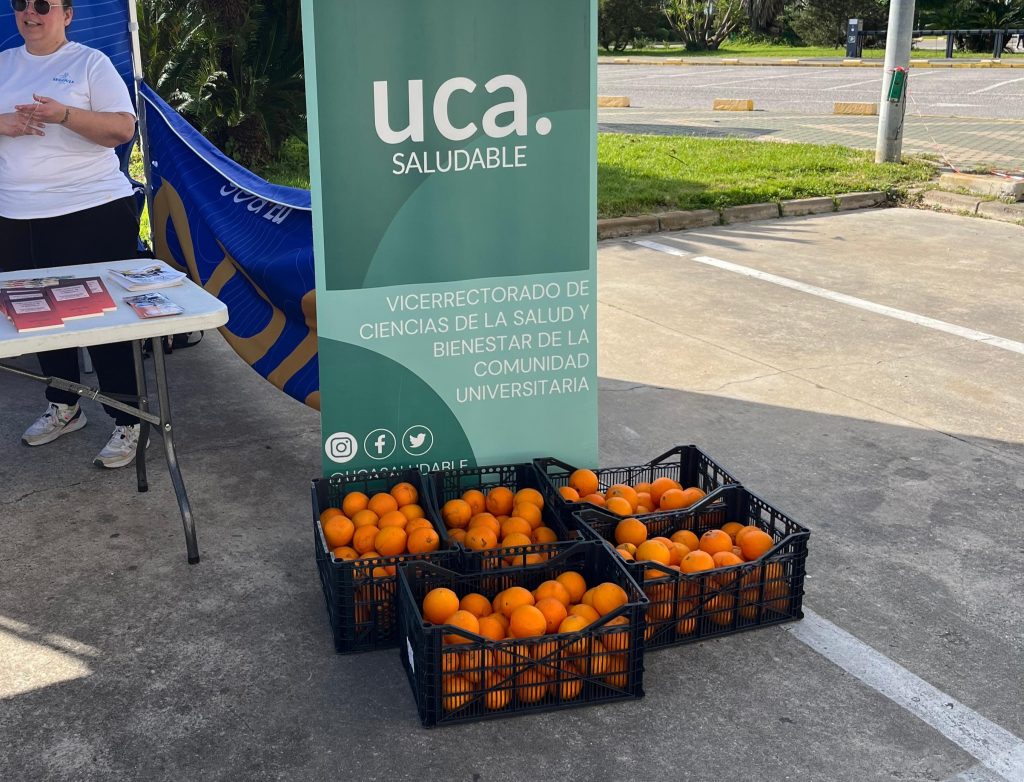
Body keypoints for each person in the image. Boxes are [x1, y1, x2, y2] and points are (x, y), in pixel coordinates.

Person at [0, 0, 146, 468]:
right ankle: (64, 405)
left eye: (44, 4)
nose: (31, 12)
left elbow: (123, 129)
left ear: (66, 14)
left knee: (106, 321)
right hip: (15, 214)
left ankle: (129, 419)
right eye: (21, 4)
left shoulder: (89, 62)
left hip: (91, 210)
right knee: (38, 318)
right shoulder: (3, 64)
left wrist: (64, 115)